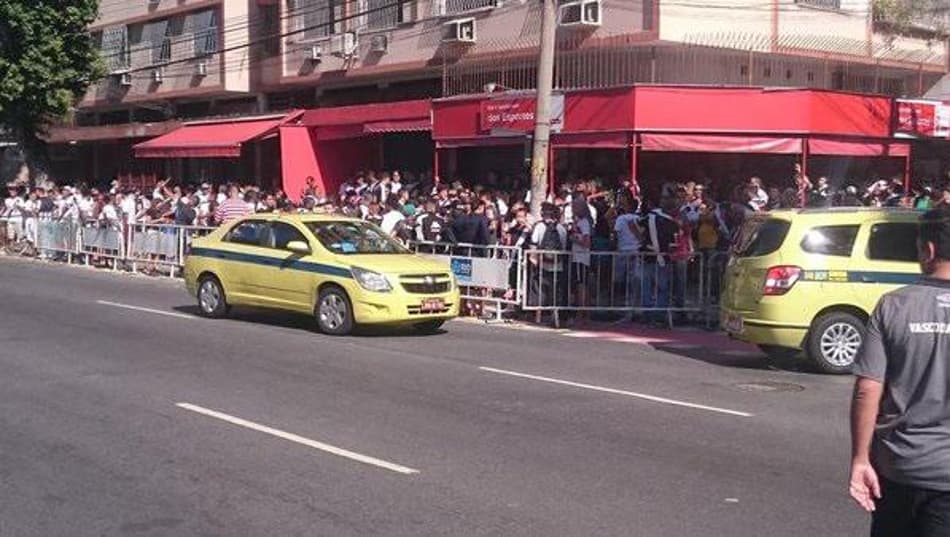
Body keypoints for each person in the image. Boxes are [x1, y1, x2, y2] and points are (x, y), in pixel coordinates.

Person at [849, 206, 950, 537]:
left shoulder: (893, 305)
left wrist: (860, 459)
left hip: (901, 468)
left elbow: (868, 388)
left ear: (929, 249)